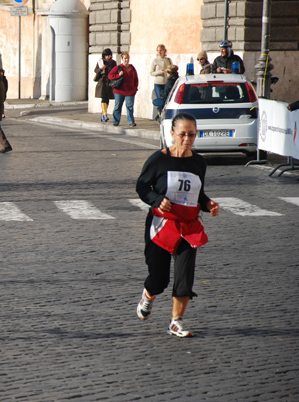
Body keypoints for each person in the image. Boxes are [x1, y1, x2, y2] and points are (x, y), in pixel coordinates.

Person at [135, 112, 220, 338]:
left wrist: (207, 203)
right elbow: (142, 187)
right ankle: (149, 294)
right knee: (159, 278)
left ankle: (176, 321)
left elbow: (197, 193)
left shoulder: (198, 162)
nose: (187, 139)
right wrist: (157, 200)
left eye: (191, 134)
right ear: (172, 134)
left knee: (184, 275)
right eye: (182, 134)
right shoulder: (158, 160)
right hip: (161, 225)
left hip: (188, 227)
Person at [108, 52, 139, 127]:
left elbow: (136, 79)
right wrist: (118, 75)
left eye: (127, 58)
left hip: (130, 91)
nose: (126, 60)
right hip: (119, 91)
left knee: (130, 106)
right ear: (122, 59)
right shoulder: (118, 68)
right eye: (125, 58)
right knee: (118, 106)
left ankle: (131, 122)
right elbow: (110, 76)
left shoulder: (132, 68)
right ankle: (116, 121)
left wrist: (135, 88)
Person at [94, 48, 117, 123]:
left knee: (107, 99)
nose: (107, 57)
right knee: (103, 98)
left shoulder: (113, 63)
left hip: (110, 83)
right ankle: (105, 114)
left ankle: (103, 114)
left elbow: (115, 70)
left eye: (109, 55)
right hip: (103, 82)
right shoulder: (101, 62)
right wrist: (101, 69)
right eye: (106, 55)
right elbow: (96, 70)